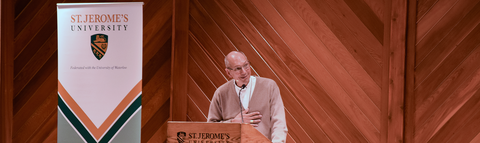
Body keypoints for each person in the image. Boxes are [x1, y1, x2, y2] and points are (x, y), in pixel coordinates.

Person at [207, 51, 288, 143]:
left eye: (246, 65)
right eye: (238, 68)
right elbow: (211, 129)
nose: (244, 71)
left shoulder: (269, 86)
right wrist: (233, 123)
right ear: (228, 72)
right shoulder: (221, 93)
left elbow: (279, 122)